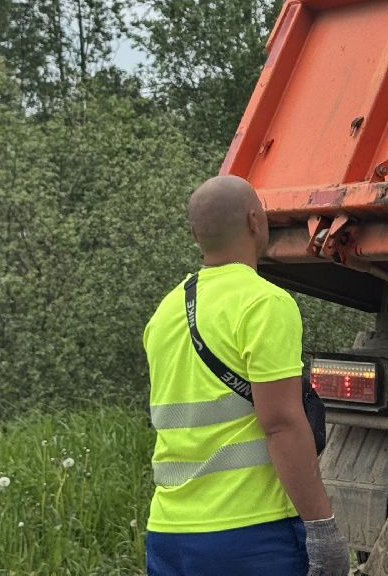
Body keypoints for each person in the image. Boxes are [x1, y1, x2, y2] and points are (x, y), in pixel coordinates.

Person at [142, 174, 350, 576]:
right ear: (255, 221)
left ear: (194, 234)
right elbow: (281, 424)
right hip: (251, 535)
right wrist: (322, 528)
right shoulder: (264, 303)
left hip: (168, 535)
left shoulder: (165, 312)